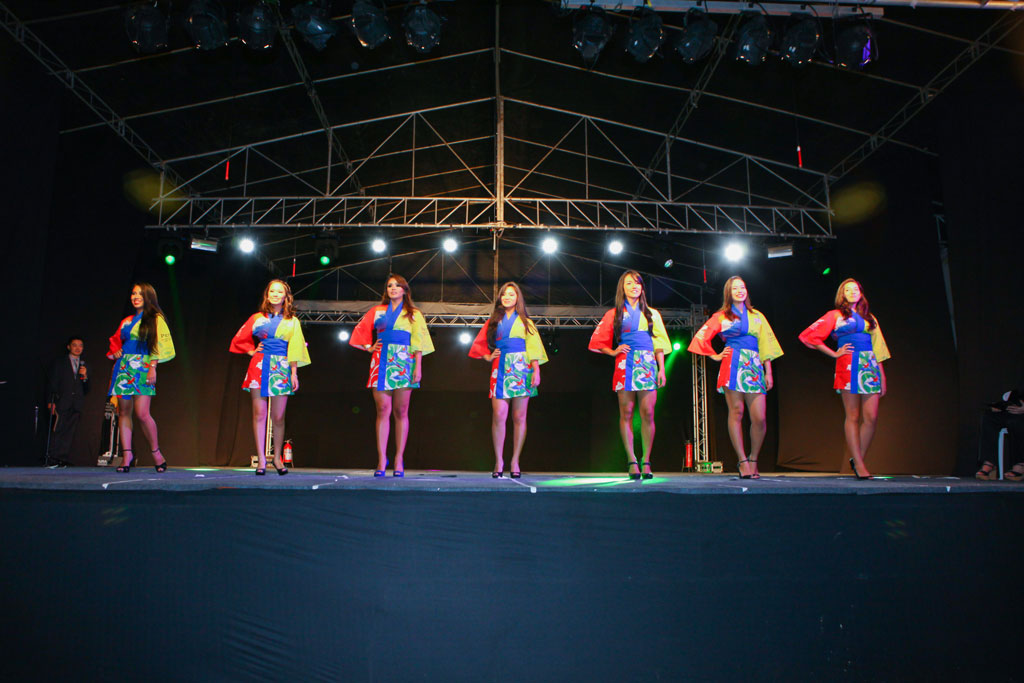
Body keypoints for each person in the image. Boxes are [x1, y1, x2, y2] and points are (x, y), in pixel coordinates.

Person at [688, 276, 783, 479]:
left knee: (759, 418)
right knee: (736, 412)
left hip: (754, 365)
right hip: (732, 365)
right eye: (735, 288)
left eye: (742, 287)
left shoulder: (757, 316)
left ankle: (754, 458)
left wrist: (768, 371)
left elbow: (766, 344)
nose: (740, 290)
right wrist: (714, 355)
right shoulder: (722, 316)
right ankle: (742, 460)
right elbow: (701, 338)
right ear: (728, 293)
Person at [799, 278, 891, 479]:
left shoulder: (870, 318)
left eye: (856, 289)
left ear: (861, 292)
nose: (852, 292)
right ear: (842, 294)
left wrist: (882, 376)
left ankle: (858, 459)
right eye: (848, 289)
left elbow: (879, 348)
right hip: (848, 365)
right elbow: (809, 336)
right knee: (853, 415)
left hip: (869, 366)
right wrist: (833, 353)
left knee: (871, 417)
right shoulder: (835, 315)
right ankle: (859, 463)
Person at [588, 270, 671, 480]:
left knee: (648, 412)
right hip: (625, 363)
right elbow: (598, 341)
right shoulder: (614, 313)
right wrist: (612, 351)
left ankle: (646, 460)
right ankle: (632, 459)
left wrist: (661, 368)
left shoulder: (652, 314)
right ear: (622, 288)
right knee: (626, 412)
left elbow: (659, 344)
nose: (634, 286)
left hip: (647, 363)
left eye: (637, 283)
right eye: (629, 283)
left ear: (642, 287)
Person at [350, 274, 434, 477]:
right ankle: (381, 458)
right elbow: (360, 331)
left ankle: (398, 458)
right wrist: (368, 347)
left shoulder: (414, 313)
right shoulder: (377, 311)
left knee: (401, 410)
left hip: (405, 361)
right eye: (389, 285)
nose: (393, 288)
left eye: (397, 285)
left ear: (405, 290)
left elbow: (419, 341)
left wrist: (418, 367)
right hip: (381, 360)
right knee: (382, 409)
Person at [229, 279, 311, 476]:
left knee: (278, 416)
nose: (275, 294)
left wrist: (294, 373)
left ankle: (277, 457)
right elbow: (239, 339)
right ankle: (261, 459)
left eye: (279, 292)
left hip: (281, 366)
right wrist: (251, 351)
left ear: (286, 296)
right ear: (267, 295)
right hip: (259, 364)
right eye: (272, 291)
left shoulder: (292, 321)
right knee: (259, 413)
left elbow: (296, 348)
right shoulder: (257, 318)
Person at [469, 282, 548, 478]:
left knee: (519, 417)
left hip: (522, 369)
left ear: (518, 298)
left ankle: (515, 461)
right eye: (504, 294)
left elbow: (534, 348)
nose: (507, 297)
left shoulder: (526, 323)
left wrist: (536, 370)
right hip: (500, 368)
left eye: (511, 294)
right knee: (498, 415)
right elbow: (479, 344)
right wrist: (488, 356)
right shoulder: (494, 322)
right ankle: (498, 460)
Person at [106, 283, 175, 473]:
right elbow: (115, 340)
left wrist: (153, 367)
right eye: (133, 293)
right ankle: (127, 456)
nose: (135, 296)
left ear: (148, 297)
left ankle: (156, 453)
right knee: (123, 412)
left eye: (140, 294)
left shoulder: (155, 319)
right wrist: (116, 350)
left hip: (143, 366)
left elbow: (159, 344)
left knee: (142, 413)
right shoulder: (127, 321)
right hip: (124, 366)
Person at [46, 336, 90, 467]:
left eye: (80, 345)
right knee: (58, 429)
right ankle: (52, 457)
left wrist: (85, 377)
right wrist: (51, 400)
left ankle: (62, 458)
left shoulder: (85, 365)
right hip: (62, 401)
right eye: (75, 345)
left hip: (76, 403)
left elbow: (87, 388)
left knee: (70, 432)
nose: (78, 348)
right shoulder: (60, 363)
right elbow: (53, 382)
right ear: (69, 347)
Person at [975, 387, 1024, 481]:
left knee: (1015, 421)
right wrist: (1002, 407)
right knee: (989, 417)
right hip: (1017, 409)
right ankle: (990, 462)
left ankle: (1021, 463)